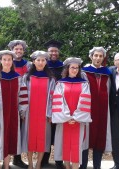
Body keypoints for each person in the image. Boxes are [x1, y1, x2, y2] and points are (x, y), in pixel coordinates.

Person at [52, 57, 92, 169]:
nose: (74, 70)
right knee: (65, 145)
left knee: (76, 147)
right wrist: (66, 117)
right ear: (67, 69)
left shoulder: (84, 84)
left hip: (78, 120)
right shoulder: (60, 83)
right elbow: (58, 101)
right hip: (64, 120)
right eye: (72, 67)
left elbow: (85, 100)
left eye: (77, 68)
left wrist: (76, 117)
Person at [21, 51, 55, 169]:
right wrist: (23, 111)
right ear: (34, 61)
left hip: (44, 113)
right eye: (38, 60)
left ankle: (38, 163)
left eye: (43, 60)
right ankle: (30, 163)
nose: (40, 63)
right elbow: (22, 95)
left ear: (46, 62)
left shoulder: (50, 79)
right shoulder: (27, 77)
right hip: (30, 113)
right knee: (29, 138)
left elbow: (52, 97)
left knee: (42, 139)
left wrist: (50, 113)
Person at [80, 47, 112, 169]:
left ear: (103, 58)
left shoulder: (107, 74)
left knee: (100, 137)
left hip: (103, 110)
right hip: (88, 109)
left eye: (100, 56)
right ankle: (82, 165)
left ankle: (97, 166)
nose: (98, 58)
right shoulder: (84, 72)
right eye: (96, 55)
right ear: (91, 57)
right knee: (86, 137)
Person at [7, 40, 30, 168]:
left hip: (23, 101)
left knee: (20, 130)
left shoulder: (29, 65)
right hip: (9, 100)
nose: (18, 51)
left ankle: (17, 158)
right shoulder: (7, 63)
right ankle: (7, 159)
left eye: (21, 49)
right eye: (16, 49)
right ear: (12, 50)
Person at [43, 39, 65, 169]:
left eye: (56, 50)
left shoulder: (64, 67)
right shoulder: (43, 66)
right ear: (47, 52)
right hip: (46, 103)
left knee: (59, 133)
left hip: (60, 104)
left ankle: (59, 161)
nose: (53, 53)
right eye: (51, 51)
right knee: (47, 133)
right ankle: (45, 160)